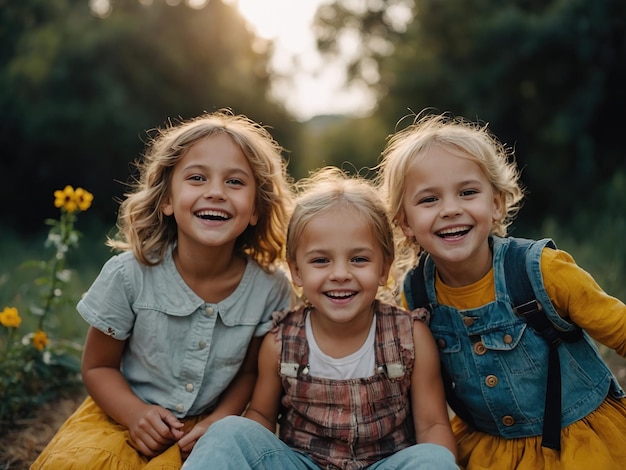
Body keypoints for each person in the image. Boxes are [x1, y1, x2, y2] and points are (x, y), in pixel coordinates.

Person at [31, 109, 296, 469]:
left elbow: (250, 373)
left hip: (202, 430)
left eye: (235, 182)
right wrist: (135, 413)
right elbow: (97, 367)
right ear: (167, 200)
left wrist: (220, 420)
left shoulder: (270, 287)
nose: (216, 192)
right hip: (121, 415)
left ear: (255, 209)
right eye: (197, 178)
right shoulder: (128, 275)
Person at [376, 111, 626, 469]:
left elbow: (621, 329)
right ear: (405, 223)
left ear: (495, 204)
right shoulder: (416, 295)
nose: (450, 209)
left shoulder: (541, 271)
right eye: (429, 200)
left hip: (580, 444)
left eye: (467, 192)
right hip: (488, 451)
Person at [182, 166, 459, 470]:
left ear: (384, 269)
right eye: (320, 261)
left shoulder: (410, 337)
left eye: (359, 259)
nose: (340, 274)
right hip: (301, 464)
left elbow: (433, 425)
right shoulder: (281, 341)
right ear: (297, 271)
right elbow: (260, 416)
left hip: (384, 464)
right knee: (227, 432)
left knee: (433, 457)